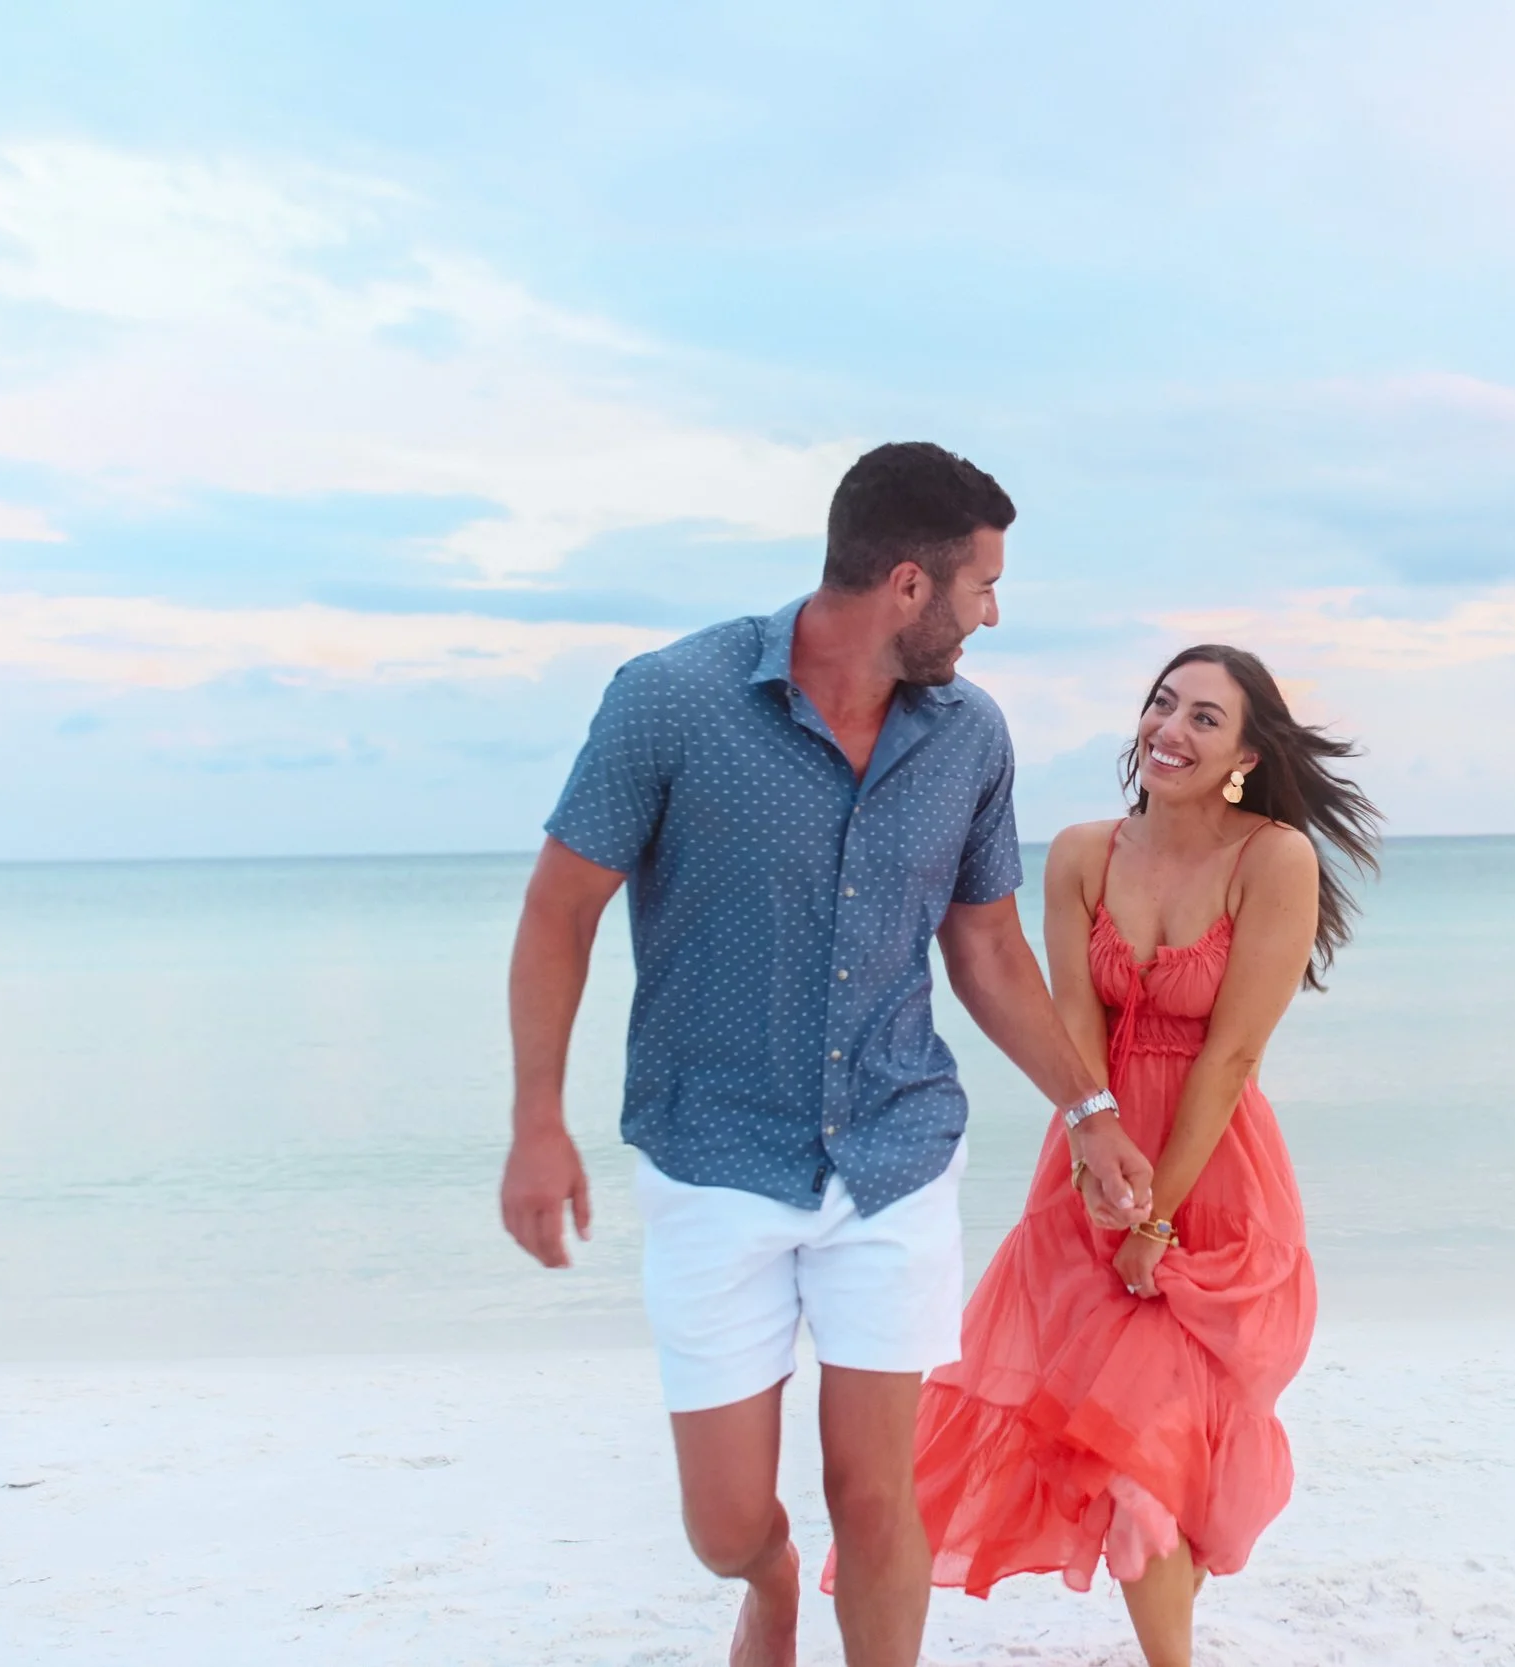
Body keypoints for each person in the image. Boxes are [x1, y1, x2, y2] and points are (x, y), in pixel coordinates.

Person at [497, 441, 1153, 1667]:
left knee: (876, 1487)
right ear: (909, 584)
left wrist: (1089, 1108)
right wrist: (539, 1117)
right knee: (724, 1519)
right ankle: (770, 1581)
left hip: (895, 1155)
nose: (992, 613)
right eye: (981, 586)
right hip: (713, 1155)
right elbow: (558, 908)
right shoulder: (672, 699)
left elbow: (990, 951)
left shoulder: (967, 736)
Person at [907, 644, 1380, 1667]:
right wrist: (1095, 1153)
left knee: (1157, 1447)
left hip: (1213, 1174)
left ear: (1247, 751)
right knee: (1125, 1448)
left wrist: (1155, 1219)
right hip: (1091, 1153)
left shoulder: (1274, 860)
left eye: (1205, 717)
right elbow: (1072, 1020)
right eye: (1162, 703)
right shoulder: (1084, 852)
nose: (1171, 728)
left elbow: (1234, 1051)